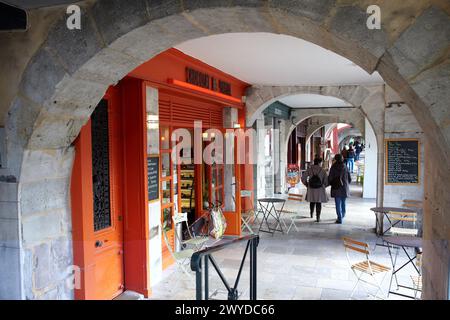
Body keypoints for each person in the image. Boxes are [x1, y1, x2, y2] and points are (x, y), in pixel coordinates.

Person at [301, 157, 328, 222]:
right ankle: (318, 217)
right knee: (319, 203)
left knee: (312, 201)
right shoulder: (323, 170)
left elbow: (303, 178)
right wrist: (324, 186)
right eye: (321, 163)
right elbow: (326, 181)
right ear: (319, 163)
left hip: (311, 188)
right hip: (320, 189)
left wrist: (307, 184)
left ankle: (311, 214)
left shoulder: (309, 170)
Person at [328, 154, 351, 224]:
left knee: (337, 203)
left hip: (336, 187)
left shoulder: (333, 167)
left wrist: (332, 183)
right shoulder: (345, 167)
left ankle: (339, 218)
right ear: (342, 159)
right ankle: (343, 214)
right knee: (343, 202)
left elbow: (330, 178)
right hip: (344, 187)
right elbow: (349, 178)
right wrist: (346, 183)